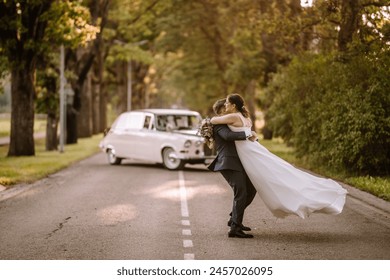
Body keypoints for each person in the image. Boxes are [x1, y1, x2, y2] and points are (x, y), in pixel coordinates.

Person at [210, 93, 348, 219]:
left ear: (234, 106)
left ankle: (235, 219)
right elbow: (250, 134)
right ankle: (236, 219)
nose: (225, 105)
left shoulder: (233, 116)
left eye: (227, 103)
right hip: (252, 148)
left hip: (248, 152)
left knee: (266, 179)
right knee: (275, 173)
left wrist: (209, 123)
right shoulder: (246, 117)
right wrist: (250, 134)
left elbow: (213, 121)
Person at [207, 99, 257, 238]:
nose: (228, 111)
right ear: (222, 111)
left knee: (251, 189)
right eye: (225, 108)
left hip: (238, 161)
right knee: (240, 192)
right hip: (228, 162)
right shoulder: (219, 125)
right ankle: (234, 228)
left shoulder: (230, 122)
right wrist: (248, 134)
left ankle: (234, 219)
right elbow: (228, 136)